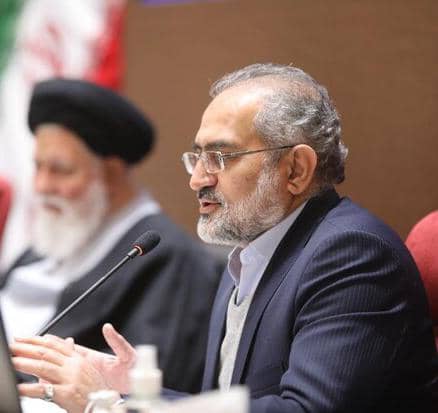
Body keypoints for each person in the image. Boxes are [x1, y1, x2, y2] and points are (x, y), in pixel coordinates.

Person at [11, 64, 438, 412]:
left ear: (295, 170)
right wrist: (134, 388)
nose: (197, 179)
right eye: (197, 157)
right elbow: (230, 406)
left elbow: (304, 410)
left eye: (219, 156)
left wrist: (107, 404)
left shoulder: (352, 255)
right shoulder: (248, 255)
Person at [3, 78, 222, 394]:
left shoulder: (173, 261)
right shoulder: (54, 238)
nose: (42, 186)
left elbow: (149, 388)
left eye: (61, 170)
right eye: (38, 167)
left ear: (111, 173)